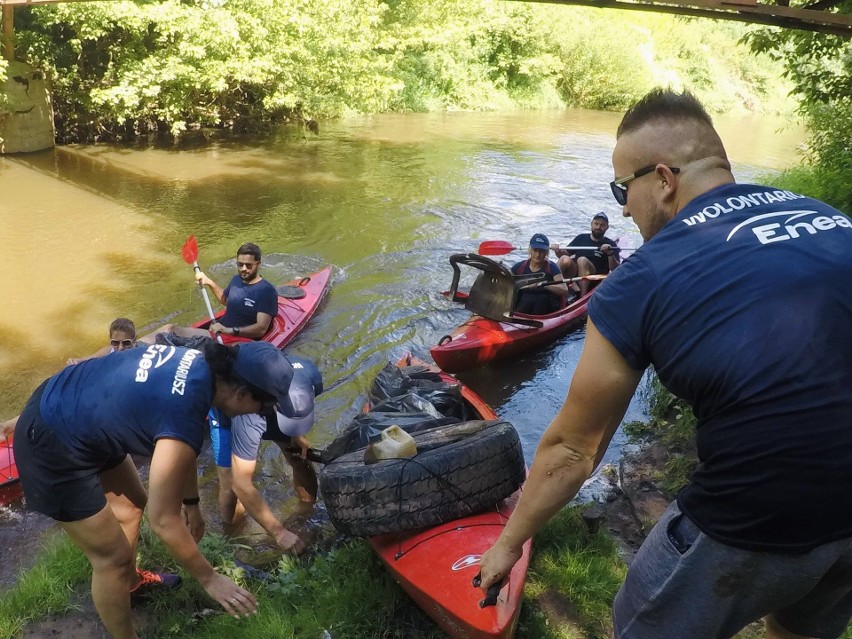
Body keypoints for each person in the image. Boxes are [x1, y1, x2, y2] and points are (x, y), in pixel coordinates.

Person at [477, 88, 852, 639]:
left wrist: (508, 544)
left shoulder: (640, 279)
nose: (623, 208)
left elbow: (574, 450)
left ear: (663, 179)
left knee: (637, 622)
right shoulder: (830, 219)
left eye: (621, 189)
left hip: (755, 514)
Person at [13, 340, 302, 638]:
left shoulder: (201, 366)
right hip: (51, 444)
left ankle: (131, 585)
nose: (260, 412)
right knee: (111, 558)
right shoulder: (185, 408)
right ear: (241, 393)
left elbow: (179, 451)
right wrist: (210, 578)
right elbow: (163, 520)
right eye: (263, 405)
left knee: (132, 506)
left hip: (78, 411)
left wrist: (191, 502)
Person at [210, 354, 322, 554]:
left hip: (271, 403)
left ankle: (306, 513)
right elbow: (240, 483)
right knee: (230, 483)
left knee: (298, 456)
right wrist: (279, 533)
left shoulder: (311, 375)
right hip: (231, 412)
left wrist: (297, 431)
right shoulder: (247, 416)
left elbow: (299, 404)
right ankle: (231, 541)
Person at [165, 242, 278, 341]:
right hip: (219, 332)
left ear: (258, 264)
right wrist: (209, 282)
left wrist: (228, 330)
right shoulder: (236, 279)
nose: (243, 268)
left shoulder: (267, 291)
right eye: (240, 264)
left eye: (248, 265)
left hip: (240, 341)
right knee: (170, 329)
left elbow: (261, 330)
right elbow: (225, 300)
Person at [551, 212, 621, 295]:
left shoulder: (611, 244)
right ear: (591, 224)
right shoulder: (581, 238)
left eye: (602, 225)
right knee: (564, 259)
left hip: (596, 279)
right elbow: (564, 254)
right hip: (575, 278)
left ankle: (581, 297)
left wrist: (610, 253)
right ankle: (552, 287)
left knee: (582, 260)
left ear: (607, 227)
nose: (598, 227)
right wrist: (558, 251)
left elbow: (615, 269)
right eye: (596, 224)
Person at [510, 233, 570, 315]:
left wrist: (544, 285)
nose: (537, 255)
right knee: (525, 299)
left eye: (541, 251)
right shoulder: (520, 267)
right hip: (524, 304)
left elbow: (564, 290)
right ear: (530, 250)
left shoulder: (552, 267)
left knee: (538, 299)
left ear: (546, 252)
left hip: (545, 305)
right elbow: (506, 281)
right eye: (535, 250)